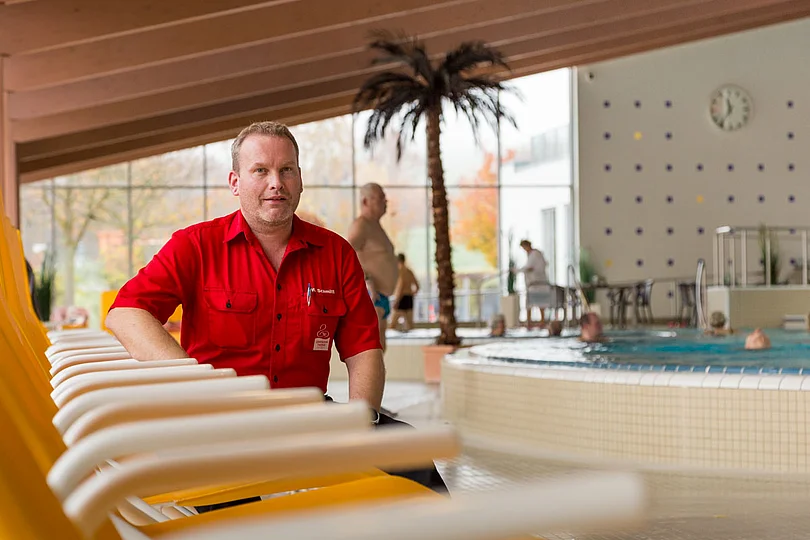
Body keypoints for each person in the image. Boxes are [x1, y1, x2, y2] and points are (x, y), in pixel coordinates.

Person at [105, 121, 446, 504]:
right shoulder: (195, 246)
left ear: (300, 179)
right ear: (235, 181)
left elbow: (363, 350)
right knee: (233, 509)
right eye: (260, 171)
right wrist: (193, 384)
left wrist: (360, 420)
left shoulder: (336, 254)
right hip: (217, 422)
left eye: (287, 170)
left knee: (412, 454)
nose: (276, 183)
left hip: (306, 414)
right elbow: (126, 312)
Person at [347, 183, 399, 351]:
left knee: (380, 347)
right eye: (380, 198)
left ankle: (378, 379)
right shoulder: (361, 225)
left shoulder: (375, 225)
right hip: (371, 297)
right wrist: (367, 280)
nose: (385, 202)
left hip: (381, 297)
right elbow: (346, 255)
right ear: (365, 201)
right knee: (372, 349)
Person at [518, 239, 550, 329]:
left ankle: (540, 322)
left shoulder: (535, 254)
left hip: (538, 283)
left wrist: (520, 270)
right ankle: (529, 322)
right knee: (531, 303)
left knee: (540, 304)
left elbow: (531, 267)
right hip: (534, 284)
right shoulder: (533, 255)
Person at [390, 253, 419, 332]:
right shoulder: (409, 271)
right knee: (410, 324)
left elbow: (400, 287)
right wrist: (412, 293)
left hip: (401, 298)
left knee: (392, 324)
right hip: (409, 297)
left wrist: (396, 301)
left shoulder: (399, 272)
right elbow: (417, 286)